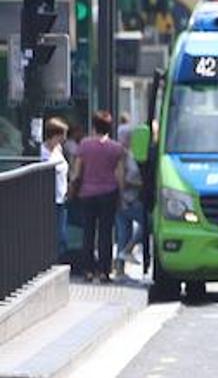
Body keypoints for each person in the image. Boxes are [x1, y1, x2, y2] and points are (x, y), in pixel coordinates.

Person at [69, 110, 127, 283]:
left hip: (87, 193)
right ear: (110, 128)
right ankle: (103, 271)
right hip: (109, 193)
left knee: (88, 232)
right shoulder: (116, 148)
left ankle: (87, 270)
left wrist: (72, 187)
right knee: (106, 232)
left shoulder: (84, 145)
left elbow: (77, 172)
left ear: (93, 126)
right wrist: (121, 194)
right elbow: (120, 174)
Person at [113, 114, 145, 281]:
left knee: (123, 233)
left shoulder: (130, 153)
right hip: (127, 199)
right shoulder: (123, 155)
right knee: (148, 223)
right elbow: (121, 178)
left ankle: (120, 269)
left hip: (126, 199)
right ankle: (127, 251)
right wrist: (138, 184)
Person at [41, 118, 69, 262]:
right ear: (55, 135)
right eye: (62, 135)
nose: (64, 138)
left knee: (61, 234)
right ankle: (52, 261)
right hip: (49, 198)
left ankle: (58, 259)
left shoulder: (58, 149)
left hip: (61, 197)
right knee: (55, 233)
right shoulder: (42, 152)